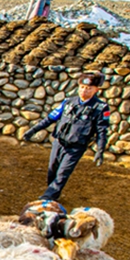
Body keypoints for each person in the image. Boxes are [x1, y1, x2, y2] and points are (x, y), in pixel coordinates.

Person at [22, 71, 110, 201]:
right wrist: (32, 131)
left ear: (96, 89)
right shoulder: (69, 102)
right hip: (59, 142)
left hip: (76, 147)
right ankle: (52, 192)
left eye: (88, 88)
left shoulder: (100, 108)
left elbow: (102, 131)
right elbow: (50, 118)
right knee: (52, 169)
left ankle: (48, 197)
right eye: (82, 87)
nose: (84, 91)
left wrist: (100, 150)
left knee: (63, 172)